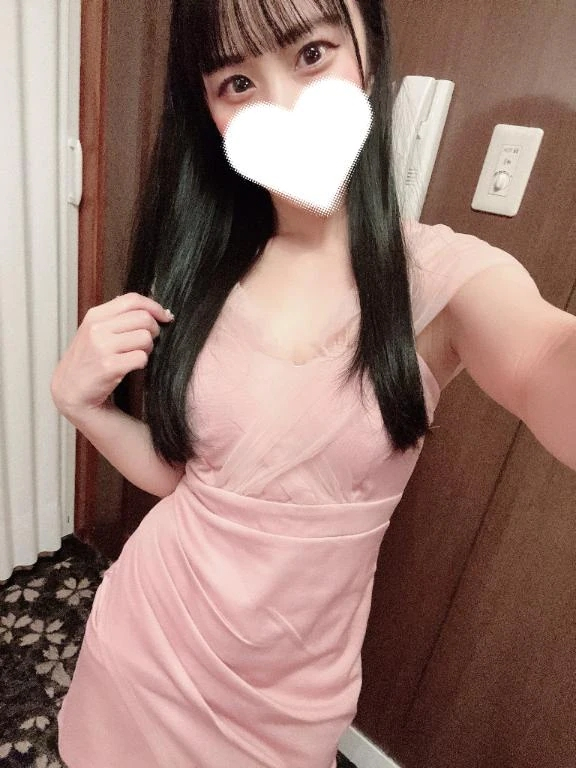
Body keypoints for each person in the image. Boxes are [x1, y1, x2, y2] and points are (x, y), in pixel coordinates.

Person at [50, 0, 576, 766]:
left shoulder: (442, 281)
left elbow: (547, 357)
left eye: (310, 55)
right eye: (237, 83)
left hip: (285, 707)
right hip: (143, 649)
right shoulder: (201, 273)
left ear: (369, 52)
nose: (284, 108)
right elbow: (189, 481)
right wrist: (80, 405)